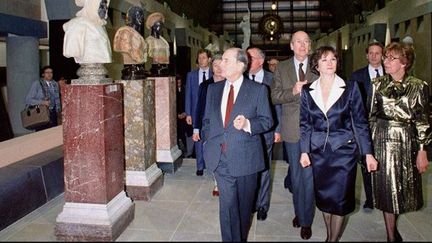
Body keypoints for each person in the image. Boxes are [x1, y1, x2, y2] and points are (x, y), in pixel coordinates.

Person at [299, 46, 378, 242]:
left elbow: (360, 123)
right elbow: (305, 124)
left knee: (340, 201)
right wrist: (304, 151)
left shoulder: (351, 88)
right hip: (319, 153)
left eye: (333, 59)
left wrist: (368, 153)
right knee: (325, 200)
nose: (330, 63)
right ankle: (329, 235)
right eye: (325, 59)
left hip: (344, 153)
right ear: (316, 64)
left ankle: (332, 240)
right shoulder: (308, 91)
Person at [202, 47, 273, 241]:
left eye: (225, 60)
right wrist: (208, 140)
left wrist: (249, 124)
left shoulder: (258, 90)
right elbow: (207, 120)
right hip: (220, 158)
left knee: (242, 210)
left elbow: (267, 121)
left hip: (246, 160)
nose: (219, 64)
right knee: (227, 208)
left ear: (240, 65)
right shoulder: (213, 89)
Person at [369, 42, 430, 242]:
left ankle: (393, 228)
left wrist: (422, 150)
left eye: (390, 58)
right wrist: (368, 149)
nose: (385, 61)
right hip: (382, 142)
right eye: (385, 57)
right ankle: (390, 235)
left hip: (406, 142)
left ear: (404, 63)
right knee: (387, 190)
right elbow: (371, 117)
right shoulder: (377, 84)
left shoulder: (418, 86)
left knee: (403, 190)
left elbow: (423, 121)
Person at [270, 30, 318, 240]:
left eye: (306, 42)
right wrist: (294, 91)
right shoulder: (281, 68)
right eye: (298, 42)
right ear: (291, 46)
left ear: (310, 46)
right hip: (292, 131)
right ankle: (299, 211)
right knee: (297, 177)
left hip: (315, 131)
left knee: (309, 177)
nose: (302, 45)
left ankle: (306, 220)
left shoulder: (318, 66)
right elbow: (275, 97)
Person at [246, 47, 281, 221]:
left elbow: (278, 106)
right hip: (245, 132)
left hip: (266, 132)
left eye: (250, 57)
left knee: (264, 168)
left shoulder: (272, 79)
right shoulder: (241, 78)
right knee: (248, 169)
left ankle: (262, 205)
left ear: (260, 60)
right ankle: (250, 201)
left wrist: (278, 129)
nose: (246, 61)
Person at [349, 41, 384, 211]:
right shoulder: (357, 77)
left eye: (377, 53)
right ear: (366, 55)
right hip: (365, 127)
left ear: (382, 55)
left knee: (384, 163)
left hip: (385, 128)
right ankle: (370, 199)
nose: (374, 56)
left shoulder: (390, 74)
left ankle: (384, 197)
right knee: (366, 163)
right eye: (371, 53)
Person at [192, 53, 224, 196]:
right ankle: (217, 182)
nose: (217, 68)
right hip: (208, 126)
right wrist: (196, 128)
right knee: (212, 154)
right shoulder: (205, 85)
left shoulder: (231, 83)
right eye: (215, 65)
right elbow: (199, 107)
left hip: (226, 126)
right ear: (211, 67)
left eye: (220, 65)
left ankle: (224, 181)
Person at [185, 49, 213, 176]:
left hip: (211, 112)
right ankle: (200, 166)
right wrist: (188, 113)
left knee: (211, 138)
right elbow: (188, 95)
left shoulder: (215, 74)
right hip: (196, 112)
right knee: (197, 138)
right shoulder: (191, 75)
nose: (201, 60)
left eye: (203, 57)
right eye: (199, 58)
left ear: (209, 59)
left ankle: (210, 163)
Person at [113, 6, 148, 80]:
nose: (141, 18)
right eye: (138, 15)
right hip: (130, 71)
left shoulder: (139, 36)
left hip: (139, 70)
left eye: (142, 16)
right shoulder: (125, 32)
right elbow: (124, 48)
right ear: (131, 17)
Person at [25, 66, 61, 131]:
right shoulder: (37, 84)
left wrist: (58, 111)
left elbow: (57, 99)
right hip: (41, 113)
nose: (49, 74)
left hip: (53, 114)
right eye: (47, 72)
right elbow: (28, 100)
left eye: (51, 72)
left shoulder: (55, 84)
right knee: (42, 134)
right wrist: (42, 102)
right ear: (43, 74)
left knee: (52, 134)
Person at [176, 74, 192, 156]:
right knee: (179, 133)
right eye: (177, 83)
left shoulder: (185, 89)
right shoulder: (172, 90)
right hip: (177, 116)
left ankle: (188, 150)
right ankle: (180, 150)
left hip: (185, 114)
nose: (178, 84)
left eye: (180, 83)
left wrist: (185, 113)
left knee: (187, 133)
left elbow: (188, 101)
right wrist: (177, 114)